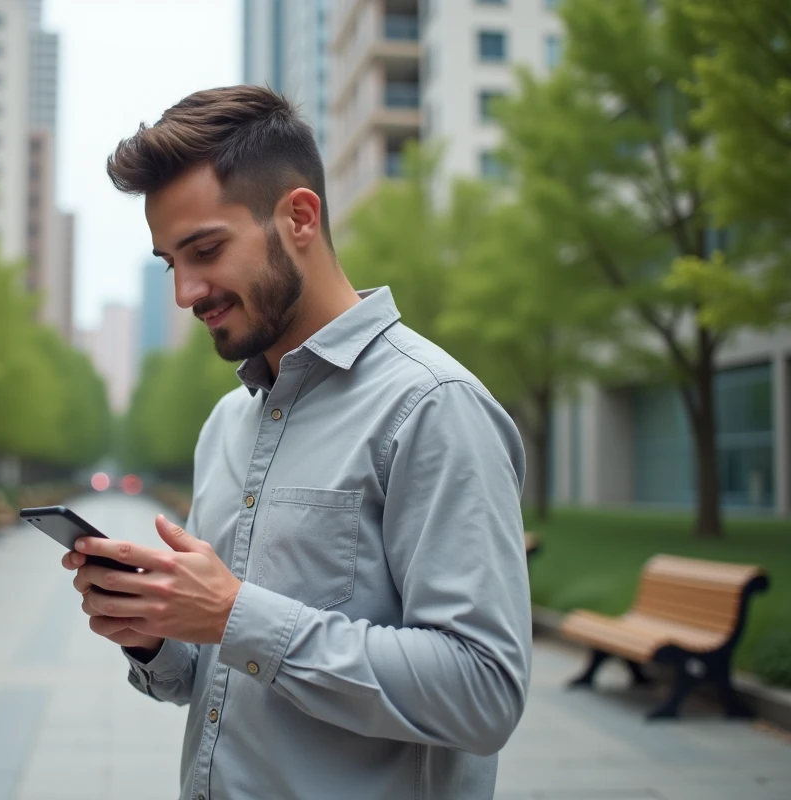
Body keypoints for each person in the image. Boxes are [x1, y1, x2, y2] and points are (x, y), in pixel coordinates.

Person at [61, 85, 532, 800]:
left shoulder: (433, 407)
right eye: (169, 263)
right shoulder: (227, 423)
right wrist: (154, 632)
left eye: (207, 249)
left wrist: (235, 614)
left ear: (300, 217)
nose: (186, 291)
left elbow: (483, 692)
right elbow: (213, 676)